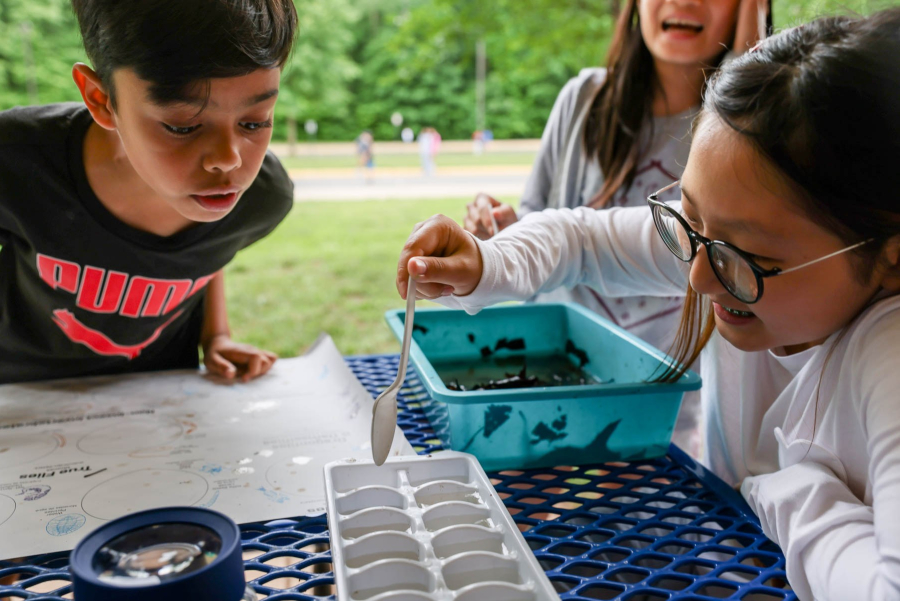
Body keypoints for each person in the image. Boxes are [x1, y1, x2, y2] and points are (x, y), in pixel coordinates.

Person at [396, 9, 900, 600]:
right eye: (688, 220)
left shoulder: (886, 357)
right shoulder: (724, 246)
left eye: (749, 257)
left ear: (889, 252)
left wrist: (789, 490)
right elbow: (578, 239)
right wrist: (488, 263)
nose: (698, 279)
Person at [465, 0, 766, 456]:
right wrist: (503, 233)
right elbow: (546, 229)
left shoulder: (738, 135)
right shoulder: (585, 98)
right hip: (556, 392)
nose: (685, 2)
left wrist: (748, 62)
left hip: (664, 419)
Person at [0, 0, 297, 384]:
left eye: (255, 122)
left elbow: (209, 252)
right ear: (100, 99)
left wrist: (217, 335)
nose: (228, 160)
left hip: (162, 392)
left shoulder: (263, 197)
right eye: (183, 127)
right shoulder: (17, 161)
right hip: (18, 391)